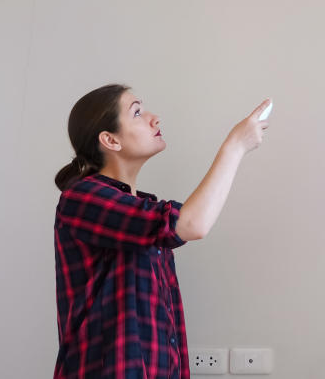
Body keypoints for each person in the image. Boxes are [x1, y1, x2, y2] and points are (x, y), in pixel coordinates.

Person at [51, 83, 271, 379]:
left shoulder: (142, 211)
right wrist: (235, 146)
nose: (154, 118)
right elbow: (193, 224)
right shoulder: (83, 198)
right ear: (110, 140)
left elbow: (168, 328)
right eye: (137, 113)